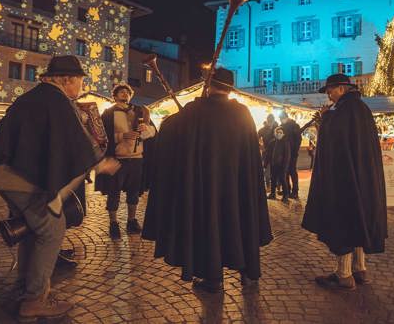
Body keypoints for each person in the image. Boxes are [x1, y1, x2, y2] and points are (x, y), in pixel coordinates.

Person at [0, 55, 120, 322]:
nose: (80, 86)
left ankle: (24, 287)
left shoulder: (36, 97)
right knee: (52, 228)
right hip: (17, 177)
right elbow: (74, 141)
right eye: (79, 80)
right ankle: (34, 299)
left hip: (5, 172)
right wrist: (100, 163)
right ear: (67, 79)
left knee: (31, 228)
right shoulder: (56, 101)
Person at [142, 68, 273, 294]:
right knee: (241, 222)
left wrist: (186, 114)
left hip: (205, 186)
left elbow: (169, 131)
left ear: (209, 85)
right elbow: (251, 154)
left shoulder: (195, 110)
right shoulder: (242, 112)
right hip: (237, 185)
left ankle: (213, 278)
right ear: (230, 89)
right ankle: (248, 272)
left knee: (209, 227)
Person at [302, 74, 387, 290]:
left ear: (341, 88)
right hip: (364, 178)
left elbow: (332, 145)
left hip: (344, 179)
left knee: (344, 222)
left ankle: (344, 274)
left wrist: (324, 119)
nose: (328, 95)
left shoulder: (340, 112)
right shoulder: (363, 109)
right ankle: (360, 269)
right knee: (359, 220)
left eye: (330, 90)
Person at [94, 84, 155, 239]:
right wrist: (122, 136)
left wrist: (145, 130)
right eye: (121, 92)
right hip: (117, 159)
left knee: (134, 191)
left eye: (127, 92)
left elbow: (152, 133)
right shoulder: (108, 114)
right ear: (114, 96)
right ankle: (113, 224)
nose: (125, 94)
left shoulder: (140, 111)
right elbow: (102, 136)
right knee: (114, 192)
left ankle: (131, 221)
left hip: (136, 159)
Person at [264, 126, 291, 203]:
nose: (279, 134)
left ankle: (285, 196)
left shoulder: (286, 143)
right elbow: (268, 154)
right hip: (273, 165)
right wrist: (265, 164)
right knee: (273, 179)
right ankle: (273, 194)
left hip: (282, 166)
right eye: (277, 132)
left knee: (283, 180)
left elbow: (287, 156)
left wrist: (285, 167)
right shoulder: (272, 143)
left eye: (280, 133)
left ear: (283, 134)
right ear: (275, 133)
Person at [279, 111, 301, 199]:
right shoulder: (282, 126)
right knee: (285, 172)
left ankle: (295, 191)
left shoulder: (294, 126)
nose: (281, 120)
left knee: (292, 171)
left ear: (286, 117)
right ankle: (287, 190)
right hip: (284, 153)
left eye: (282, 118)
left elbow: (298, 140)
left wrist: (295, 151)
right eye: (280, 119)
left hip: (292, 152)